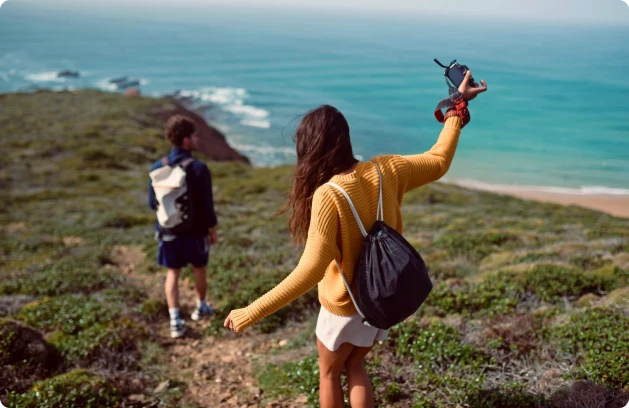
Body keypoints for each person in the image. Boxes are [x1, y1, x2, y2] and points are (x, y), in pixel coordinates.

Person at [224, 71, 487, 407]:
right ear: (345, 139)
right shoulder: (386, 169)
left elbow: (310, 271)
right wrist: (456, 108)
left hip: (344, 304)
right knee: (357, 366)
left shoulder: (328, 194)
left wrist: (251, 311)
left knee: (330, 374)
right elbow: (438, 160)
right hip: (379, 299)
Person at [148, 115, 218, 339]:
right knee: (199, 269)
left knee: (172, 274)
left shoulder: (159, 166)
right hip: (195, 233)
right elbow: (207, 205)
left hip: (168, 233)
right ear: (186, 141)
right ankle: (200, 308)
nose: (198, 139)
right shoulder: (198, 168)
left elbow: (152, 203)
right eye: (195, 136)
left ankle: (175, 320)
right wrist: (212, 229)